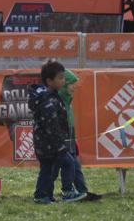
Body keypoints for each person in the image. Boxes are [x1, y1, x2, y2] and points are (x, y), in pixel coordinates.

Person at [30, 61, 86, 204]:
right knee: (68, 163)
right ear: (49, 81)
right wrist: (60, 145)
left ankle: (42, 195)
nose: (63, 81)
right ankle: (67, 192)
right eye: (60, 78)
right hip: (50, 144)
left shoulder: (52, 97)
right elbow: (52, 126)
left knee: (47, 170)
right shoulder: (48, 100)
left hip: (47, 144)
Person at [57, 68, 101, 201]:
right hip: (59, 142)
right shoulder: (60, 104)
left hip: (70, 140)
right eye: (71, 85)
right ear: (64, 85)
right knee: (53, 170)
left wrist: (73, 143)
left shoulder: (68, 104)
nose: (73, 88)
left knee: (76, 166)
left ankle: (82, 191)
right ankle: (45, 193)